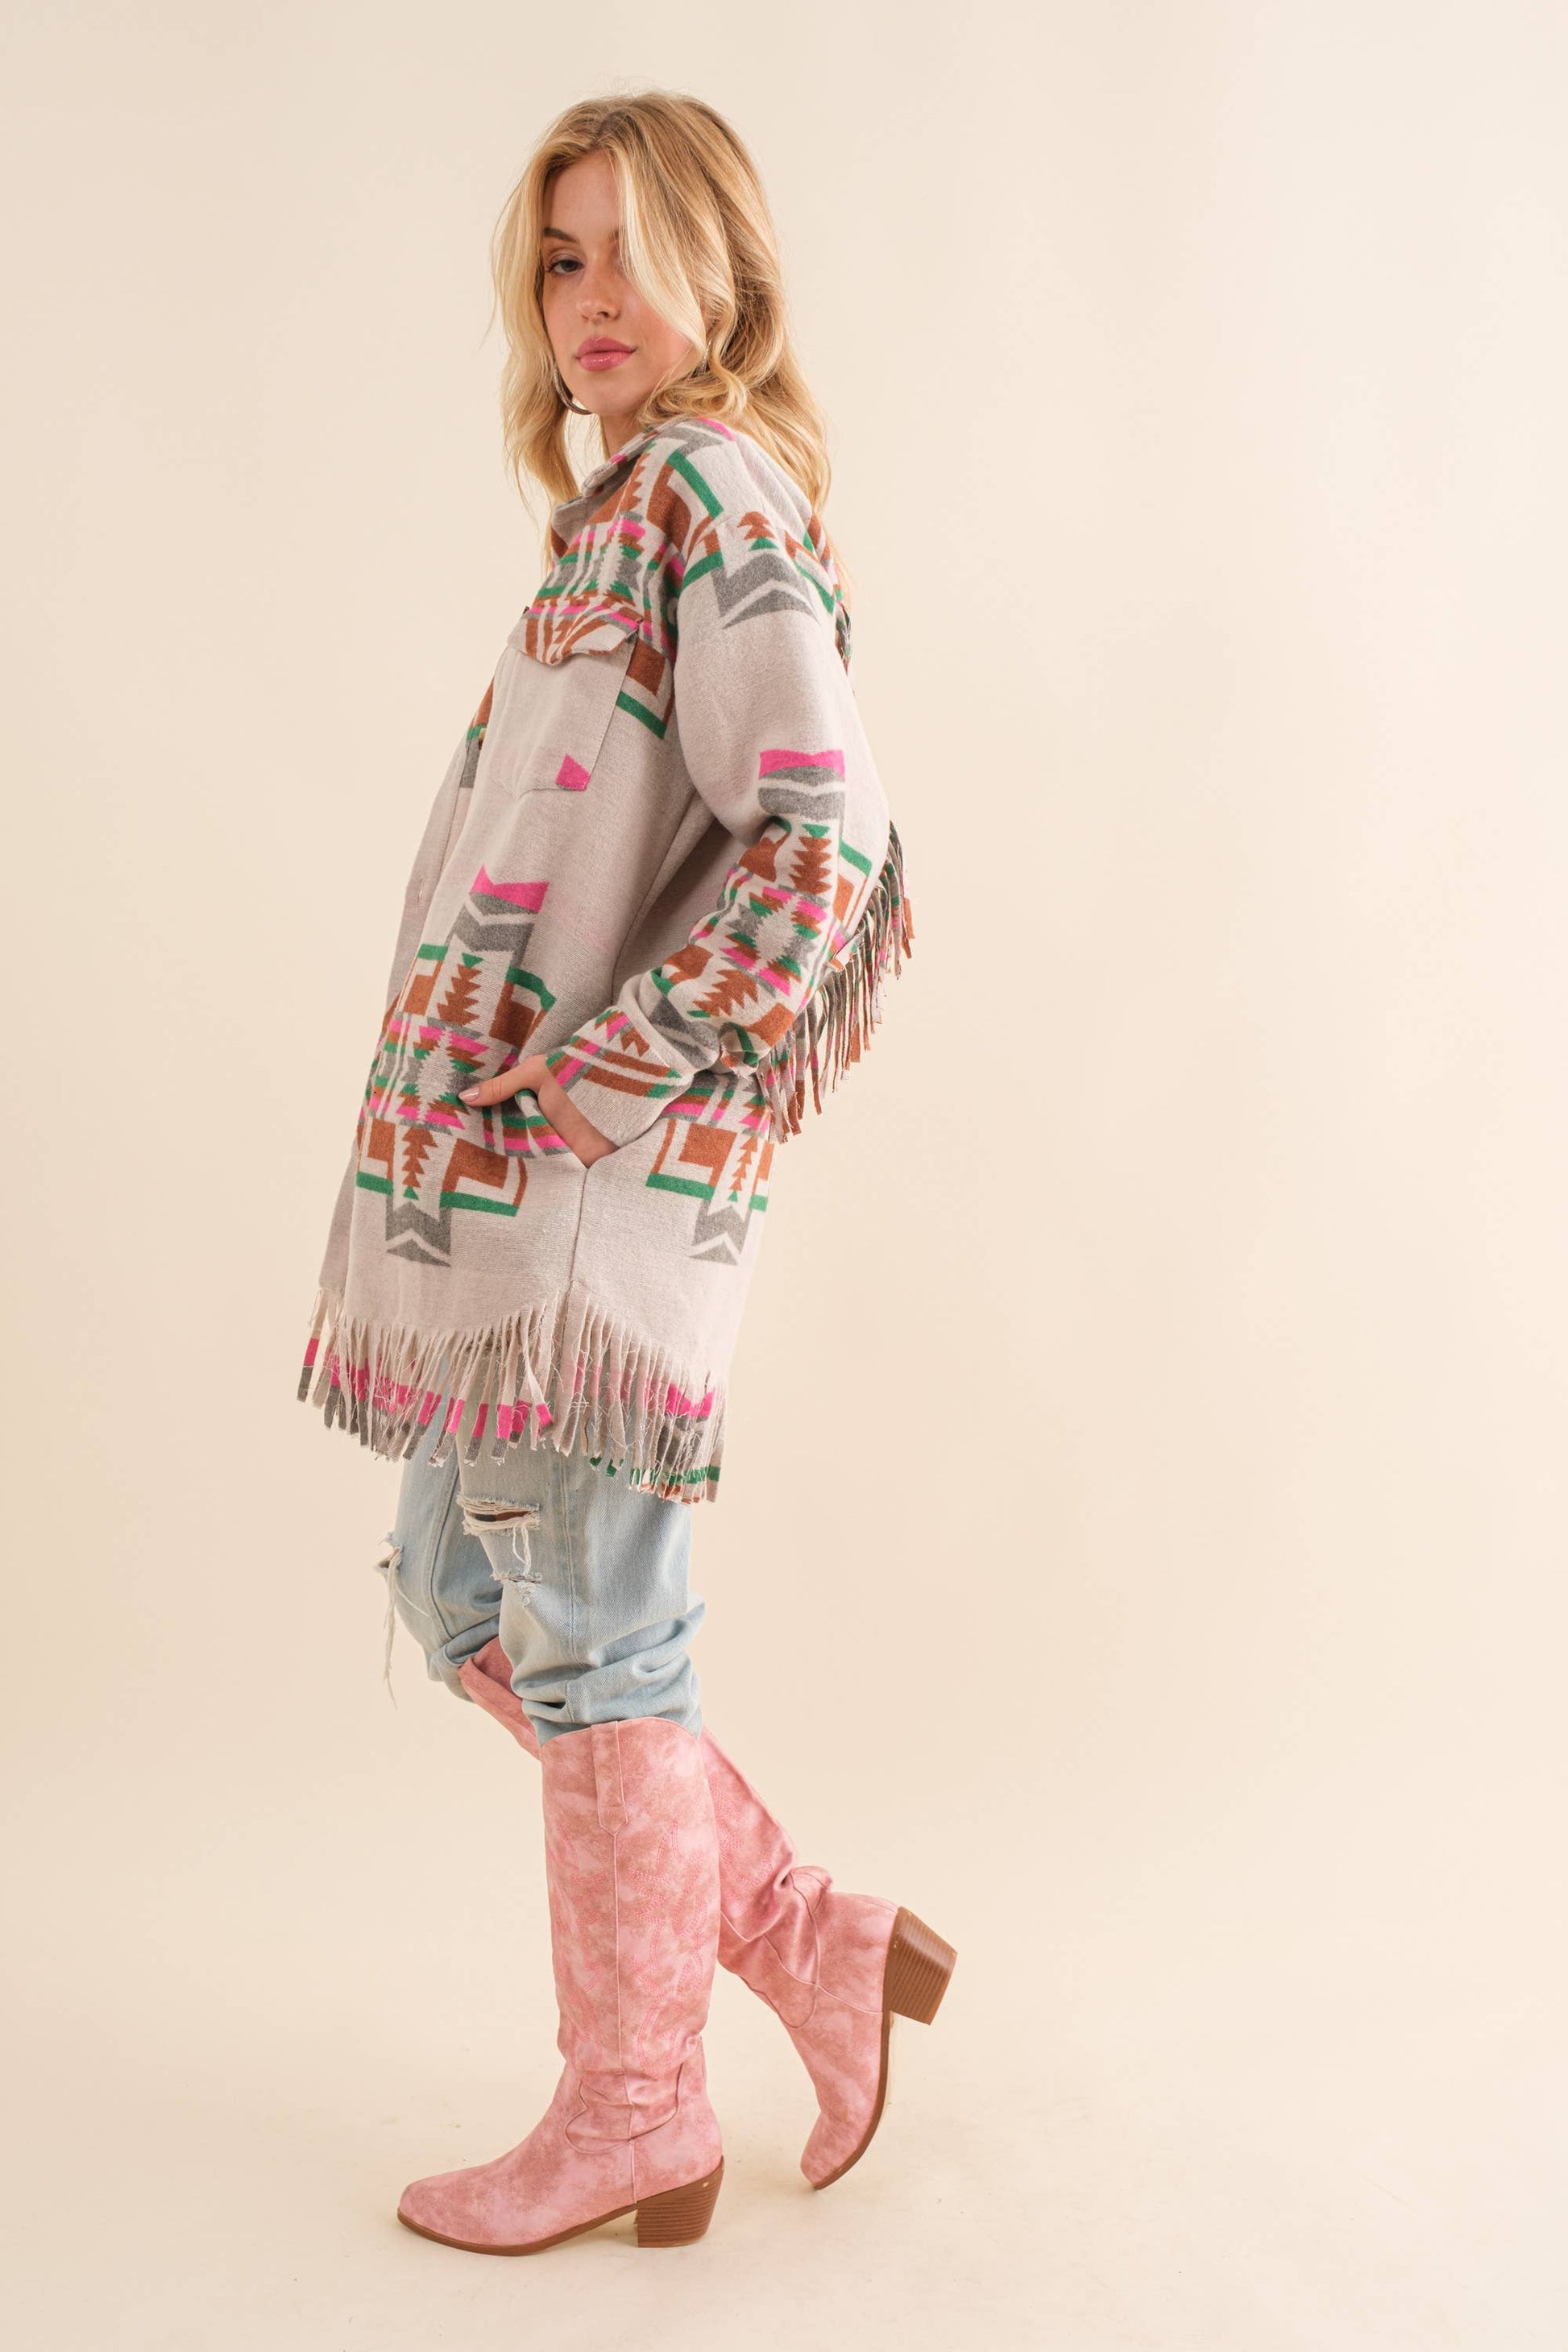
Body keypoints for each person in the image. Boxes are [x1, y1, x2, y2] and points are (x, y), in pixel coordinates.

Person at [297, 88, 953, 2258]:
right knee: (466, 1596)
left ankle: (638, 2106)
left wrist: (608, 1079)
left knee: (592, 1642)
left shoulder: (706, 493)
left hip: (589, 1209)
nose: (591, 298)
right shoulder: (610, 525)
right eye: (558, 258)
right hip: (500, 1217)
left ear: (724, 270)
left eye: (631, 250)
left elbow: (825, 838)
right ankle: (807, 1936)